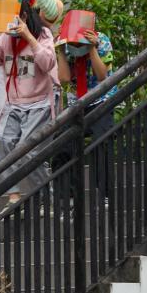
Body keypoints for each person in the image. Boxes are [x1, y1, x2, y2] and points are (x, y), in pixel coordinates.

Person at [0, 2, 57, 214]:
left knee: (28, 151)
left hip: (39, 103)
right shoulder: (5, 39)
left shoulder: (43, 34)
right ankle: (13, 194)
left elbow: (48, 63)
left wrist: (28, 36)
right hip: (13, 103)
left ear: (23, 16)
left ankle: (45, 198)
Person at [54, 28, 115, 206]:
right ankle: (65, 197)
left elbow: (102, 76)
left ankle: (104, 193)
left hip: (101, 99)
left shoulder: (101, 40)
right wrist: (60, 50)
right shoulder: (64, 43)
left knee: (102, 140)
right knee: (61, 143)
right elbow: (64, 78)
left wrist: (92, 47)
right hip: (76, 104)